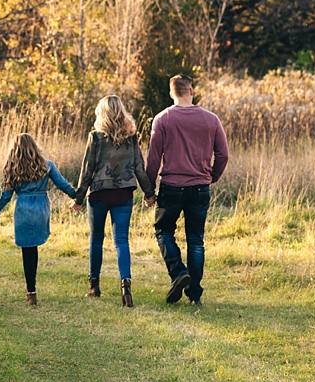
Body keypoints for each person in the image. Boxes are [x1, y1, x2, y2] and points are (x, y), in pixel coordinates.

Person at [145, 74, 230, 306]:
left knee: (163, 231)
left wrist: (149, 190)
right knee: (196, 239)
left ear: (171, 93)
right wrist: (212, 177)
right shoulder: (211, 120)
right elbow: (223, 154)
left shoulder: (162, 119)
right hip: (199, 188)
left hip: (171, 186)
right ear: (191, 91)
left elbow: (153, 159)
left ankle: (178, 272)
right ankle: (194, 295)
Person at [70, 95, 153, 307]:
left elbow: (87, 169)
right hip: (123, 194)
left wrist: (78, 198)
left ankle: (94, 285)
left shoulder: (96, 137)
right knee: (121, 241)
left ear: (102, 113)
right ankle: (125, 287)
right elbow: (139, 167)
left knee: (96, 239)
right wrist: (149, 192)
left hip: (99, 193)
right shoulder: (131, 137)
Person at [0, 133, 78, 306]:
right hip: (40, 210)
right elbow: (63, 185)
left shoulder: (11, 168)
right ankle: (32, 289)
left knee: (27, 251)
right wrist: (78, 197)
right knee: (34, 248)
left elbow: (6, 195)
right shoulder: (47, 166)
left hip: (23, 210)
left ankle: (31, 292)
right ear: (34, 147)